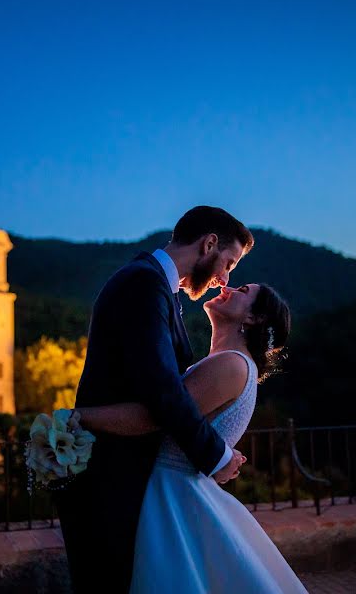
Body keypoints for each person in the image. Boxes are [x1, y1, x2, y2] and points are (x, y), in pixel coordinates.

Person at [54, 206, 253, 593]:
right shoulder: (142, 284)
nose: (223, 278)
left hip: (121, 478)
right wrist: (217, 455)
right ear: (208, 244)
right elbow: (163, 392)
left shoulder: (155, 287)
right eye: (227, 262)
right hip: (108, 479)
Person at [80, 282, 306, 593]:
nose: (227, 286)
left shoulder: (230, 365)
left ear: (253, 318)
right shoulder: (231, 363)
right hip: (179, 491)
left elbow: (156, 418)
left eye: (241, 290)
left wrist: (78, 417)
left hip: (169, 498)